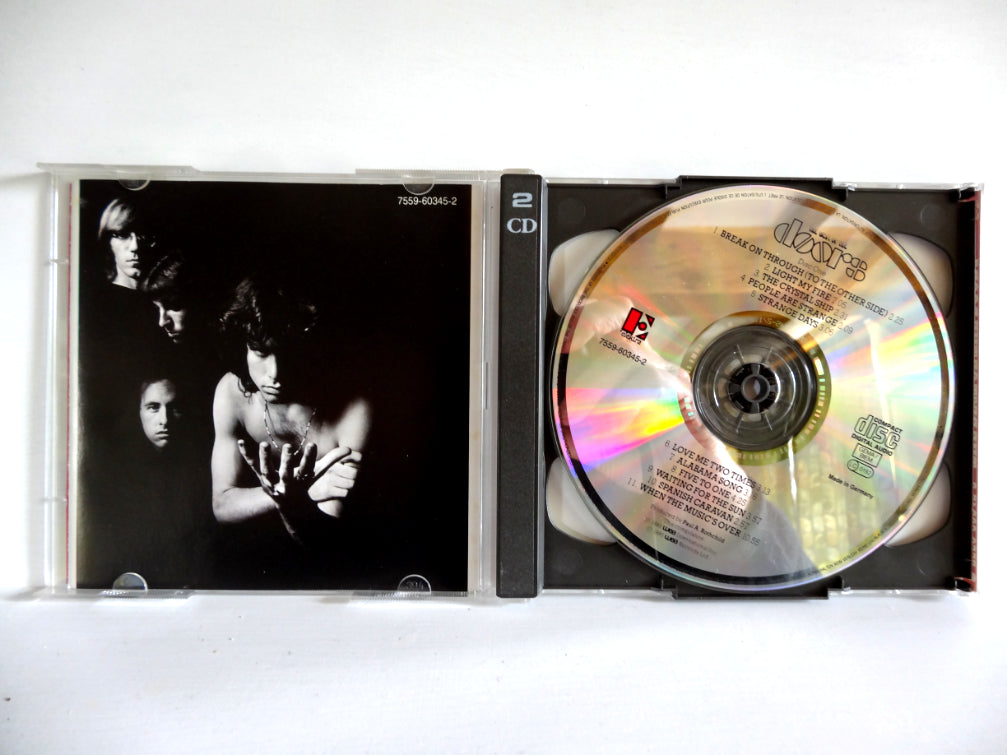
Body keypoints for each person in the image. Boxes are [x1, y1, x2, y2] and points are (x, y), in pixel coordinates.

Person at [211, 277, 371, 553]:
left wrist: (290, 503)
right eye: (261, 352)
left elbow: (322, 544)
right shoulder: (231, 392)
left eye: (287, 353)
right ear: (243, 347)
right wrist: (287, 496)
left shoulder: (353, 408)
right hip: (254, 553)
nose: (274, 374)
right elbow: (222, 505)